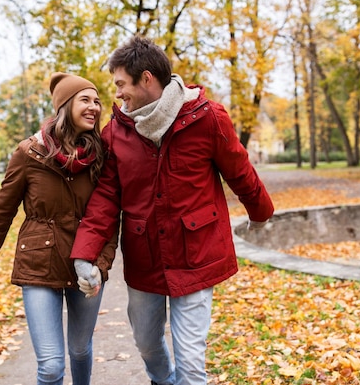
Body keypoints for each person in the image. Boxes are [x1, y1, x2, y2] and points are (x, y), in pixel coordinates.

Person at [71, 36, 274, 385]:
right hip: (144, 255)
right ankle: (162, 380)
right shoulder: (116, 132)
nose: (118, 94)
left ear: (146, 79)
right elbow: (106, 197)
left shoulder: (207, 118)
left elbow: (239, 170)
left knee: (192, 363)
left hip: (196, 252)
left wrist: (260, 213)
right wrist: (84, 254)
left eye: (121, 84)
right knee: (147, 344)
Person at [0, 72, 117, 385]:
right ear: (64, 105)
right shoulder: (28, 153)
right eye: (85, 100)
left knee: (79, 350)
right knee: (50, 366)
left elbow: (108, 216)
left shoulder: (101, 155)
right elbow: (2, 210)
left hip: (86, 265)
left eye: (97, 102)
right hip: (39, 264)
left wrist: (101, 266)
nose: (94, 107)